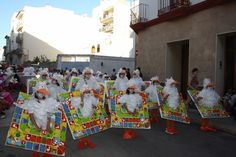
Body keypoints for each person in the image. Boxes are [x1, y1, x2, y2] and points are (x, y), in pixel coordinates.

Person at [71, 85, 98, 149]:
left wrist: (94, 106)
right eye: (86, 92)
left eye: (88, 92)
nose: (87, 94)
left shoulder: (92, 98)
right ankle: (81, 142)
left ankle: (88, 141)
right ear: (82, 93)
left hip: (90, 116)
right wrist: (82, 99)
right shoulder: (79, 99)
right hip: (82, 117)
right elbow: (78, 106)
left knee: (88, 129)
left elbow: (95, 104)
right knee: (81, 130)